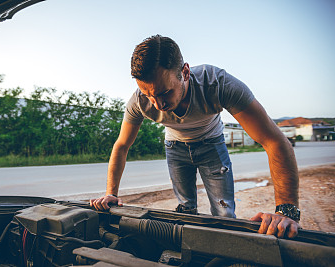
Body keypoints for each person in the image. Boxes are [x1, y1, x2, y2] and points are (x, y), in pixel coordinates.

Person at [90, 35, 300, 238]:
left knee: (224, 214)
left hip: (212, 145)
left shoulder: (218, 84)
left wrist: (286, 212)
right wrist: (112, 194)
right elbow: (122, 145)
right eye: (148, 95)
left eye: (165, 93)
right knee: (185, 211)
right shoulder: (138, 102)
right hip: (175, 147)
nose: (158, 105)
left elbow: (274, 141)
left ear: (186, 72)